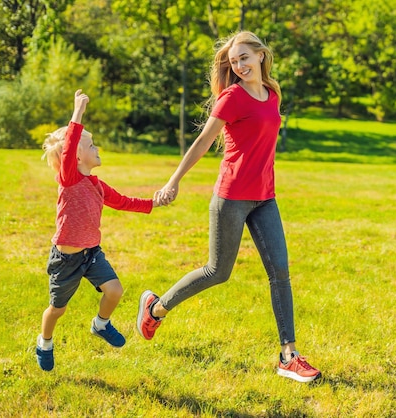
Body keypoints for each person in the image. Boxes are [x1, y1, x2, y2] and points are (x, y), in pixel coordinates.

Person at [136, 31, 321, 383]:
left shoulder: (272, 93)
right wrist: (174, 180)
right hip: (231, 197)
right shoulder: (232, 97)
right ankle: (155, 309)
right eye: (234, 62)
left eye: (244, 58)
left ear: (261, 56)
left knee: (280, 272)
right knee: (217, 271)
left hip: (265, 197)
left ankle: (289, 355)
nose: (239, 66)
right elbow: (204, 140)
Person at [36, 89, 163, 372]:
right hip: (66, 260)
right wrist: (77, 112)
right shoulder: (69, 179)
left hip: (91, 253)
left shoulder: (97, 185)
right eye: (91, 146)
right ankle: (44, 342)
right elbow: (69, 146)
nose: (97, 149)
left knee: (115, 291)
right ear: (77, 157)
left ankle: (100, 324)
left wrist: (152, 203)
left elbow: (124, 202)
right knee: (57, 309)